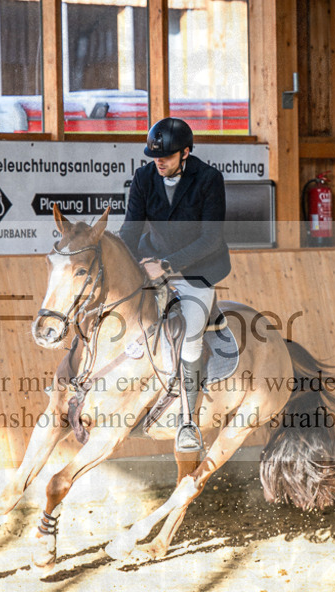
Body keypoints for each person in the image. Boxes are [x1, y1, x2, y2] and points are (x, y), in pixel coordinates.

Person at [119, 117, 230, 452]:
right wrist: (122, 263)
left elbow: (211, 239)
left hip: (197, 270)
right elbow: (130, 230)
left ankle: (187, 422)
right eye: (155, 156)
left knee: (190, 341)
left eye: (166, 156)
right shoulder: (143, 177)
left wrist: (167, 266)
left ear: (185, 152)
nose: (158, 161)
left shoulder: (209, 179)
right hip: (151, 263)